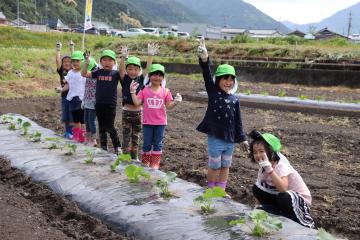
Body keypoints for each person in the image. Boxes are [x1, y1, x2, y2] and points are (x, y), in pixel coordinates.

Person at [197, 38, 249, 191]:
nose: (228, 82)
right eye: (225, 79)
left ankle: (221, 190)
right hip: (215, 136)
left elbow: (238, 122)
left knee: (226, 165)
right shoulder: (213, 93)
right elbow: (207, 75)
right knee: (215, 165)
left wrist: (242, 139)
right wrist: (205, 59)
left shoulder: (234, 99)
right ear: (218, 80)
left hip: (230, 139)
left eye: (231, 79)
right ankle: (211, 189)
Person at [248, 129, 315, 228]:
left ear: (270, 151)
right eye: (255, 152)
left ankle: (291, 219)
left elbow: (283, 189)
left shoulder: (281, 165)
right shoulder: (263, 167)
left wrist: (270, 170)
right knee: (256, 189)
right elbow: (259, 188)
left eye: (261, 151)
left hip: (298, 202)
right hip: (280, 199)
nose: (258, 155)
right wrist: (256, 208)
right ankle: (278, 213)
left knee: (283, 197)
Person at [130, 64, 182, 169]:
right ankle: (145, 163)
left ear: (163, 78)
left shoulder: (165, 91)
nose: (157, 77)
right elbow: (137, 103)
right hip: (147, 122)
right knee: (147, 144)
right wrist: (132, 92)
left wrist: (176, 102)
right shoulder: (144, 90)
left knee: (158, 144)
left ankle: (155, 164)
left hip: (160, 123)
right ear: (150, 76)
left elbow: (168, 106)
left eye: (159, 75)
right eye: (154, 75)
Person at [119, 43, 159, 161]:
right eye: (130, 69)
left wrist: (150, 55)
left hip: (138, 112)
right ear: (127, 70)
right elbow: (121, 70)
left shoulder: (141, 79)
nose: (133, 71)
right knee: (126, 136)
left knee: (136, 136)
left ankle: (134, 156)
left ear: (139, 70)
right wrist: (123, 57)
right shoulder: (125, 79)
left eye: (135, 69)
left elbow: (148, 69)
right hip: (126, 112)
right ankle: (124, 156)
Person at [82, 50, 122, 154]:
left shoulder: (116, 73)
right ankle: (104, 147)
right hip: (99, 104)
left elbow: (123, 74)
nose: (107, 62)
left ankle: (117, 146)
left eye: (110, 60)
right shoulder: (98, 72)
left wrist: (123, 58)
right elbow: (84, 73)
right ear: (101, 62)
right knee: (101, 126)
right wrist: (86, 62)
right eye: (104, 60)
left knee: (110, 126)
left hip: (110, 104)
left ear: (114, 62)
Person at [62, 50, 86, 143]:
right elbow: (68, 85)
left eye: (78, 61)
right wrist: (61, 89)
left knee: (82, 120)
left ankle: (83, 137)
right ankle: (77, 136)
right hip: (72, 98)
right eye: (74, 61)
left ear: (82, 61)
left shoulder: (84, 73)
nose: (75, 63)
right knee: (75, 119)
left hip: (81, 99)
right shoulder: (71, 72)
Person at [55, 40, 74, 139]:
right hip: (64, 96)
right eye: (64, 62)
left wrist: (72, 49)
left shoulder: (73, 70)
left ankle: (74, 132)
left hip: (73, 96)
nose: (67, 63)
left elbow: (75, 59)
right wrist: (58, 50)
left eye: (69, 62)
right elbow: (58, 61)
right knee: (65, 114)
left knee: (72, 114)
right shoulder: (62, 71)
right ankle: (67, 131)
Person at [81, 57, 98, 147]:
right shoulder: (87, 76)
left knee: (91, 120)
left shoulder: (97, 74)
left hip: (94, 102)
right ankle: (88, 138)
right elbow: (86, 89)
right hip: (87, 100)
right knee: (86, 120)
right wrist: (83, 100)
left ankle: (94, 139)